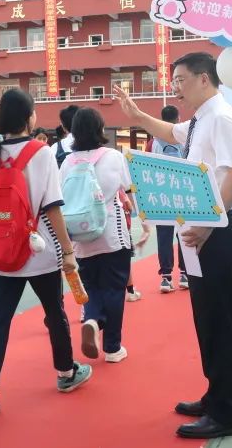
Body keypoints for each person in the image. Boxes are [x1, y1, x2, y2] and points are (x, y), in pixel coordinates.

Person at [115, 51, 232, 440]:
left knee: (220, 321)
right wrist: (138, 117)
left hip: (217, 233)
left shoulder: (222, 117)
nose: (175, 87)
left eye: (181, 80)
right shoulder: (201, 120)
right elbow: (172, 133)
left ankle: (227, 413)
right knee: (206, 318)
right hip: (198, 233)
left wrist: (210, 223)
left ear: (204, 79)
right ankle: (215, 394)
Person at [0, 89, 93, 417]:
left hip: (2, 251)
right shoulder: (40, 152)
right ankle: (66, 373)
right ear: (29, 117)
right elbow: (52, 206)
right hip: (40, 251)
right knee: (55, 313)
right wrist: (68, 250)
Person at [64, 107, 149, 365]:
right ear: (101, 129)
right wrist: (144, 224)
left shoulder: (68, 162)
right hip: (112, 234)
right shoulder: (113, 156)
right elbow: (129, 189)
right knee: (114, 289)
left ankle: (91, 319)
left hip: (80, 237)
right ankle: (112, 347)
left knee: (92, 287)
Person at [151, 104, 188, 294]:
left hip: (161, 193)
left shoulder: (154, 141)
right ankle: (184, 273)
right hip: (182, 192)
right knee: (183, 233)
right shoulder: (184, 138)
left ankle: (166, 278)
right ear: (178, 118)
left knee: (163, 235)